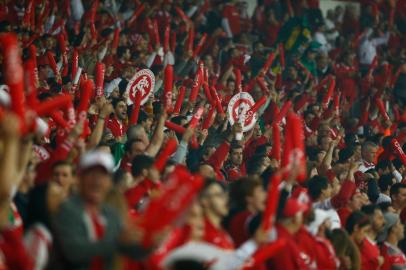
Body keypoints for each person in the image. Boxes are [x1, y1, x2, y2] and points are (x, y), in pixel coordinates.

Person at [51, 150, 151, 269]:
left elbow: (130, 250)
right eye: (91, 174)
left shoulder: (111, 214)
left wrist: (149, 242)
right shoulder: (67, 209)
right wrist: (117, 241)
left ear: (109, 182)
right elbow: (74, 252)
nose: (97, 181)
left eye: (102, 175)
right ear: (80, 179)